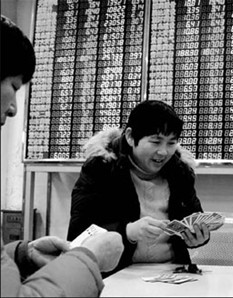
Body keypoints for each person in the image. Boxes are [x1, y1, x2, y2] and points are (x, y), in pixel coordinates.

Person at [1, 15, 124, 296]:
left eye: (172, 141)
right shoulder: (100, 169)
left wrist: (21, 254)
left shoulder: (178, 176)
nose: (14, 110)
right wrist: (86, 259)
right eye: (15, 87)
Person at [67, 100, 210, 273]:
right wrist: (128, 232)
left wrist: (198, 238)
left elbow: (195, 219)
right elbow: (78, 233)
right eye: (156, 142)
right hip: (117, 274)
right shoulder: (101, 169)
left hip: (172, 274)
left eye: (171, 143)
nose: (163, 152)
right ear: (130, 136)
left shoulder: (180, 173)